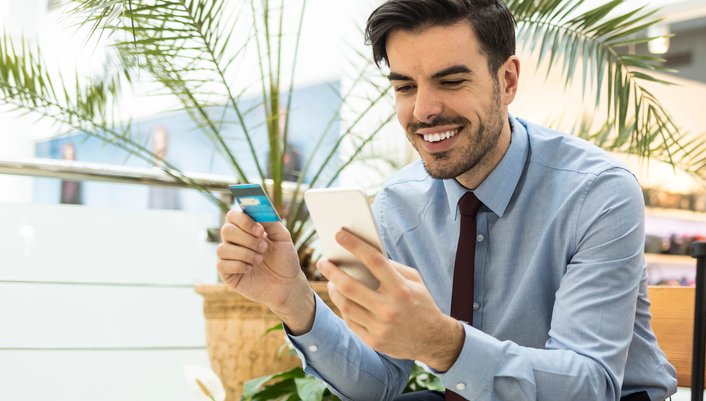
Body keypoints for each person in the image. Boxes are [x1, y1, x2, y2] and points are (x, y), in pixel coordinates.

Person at [215, 1, 677, 400]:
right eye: (405, 87)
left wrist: (443, 343)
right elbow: (378, 384)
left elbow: (591, 387)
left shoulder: (596, 192)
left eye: (451, 81)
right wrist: (294, 300)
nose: (423, 110)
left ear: (508, 80)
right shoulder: (398, 205)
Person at [147, 126, 182, 210]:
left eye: (162, 140)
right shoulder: (148, 170)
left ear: (167, 142)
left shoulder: (173, 169)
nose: (160, 145)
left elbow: (176, 200)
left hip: (171, 216)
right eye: (156, 141)